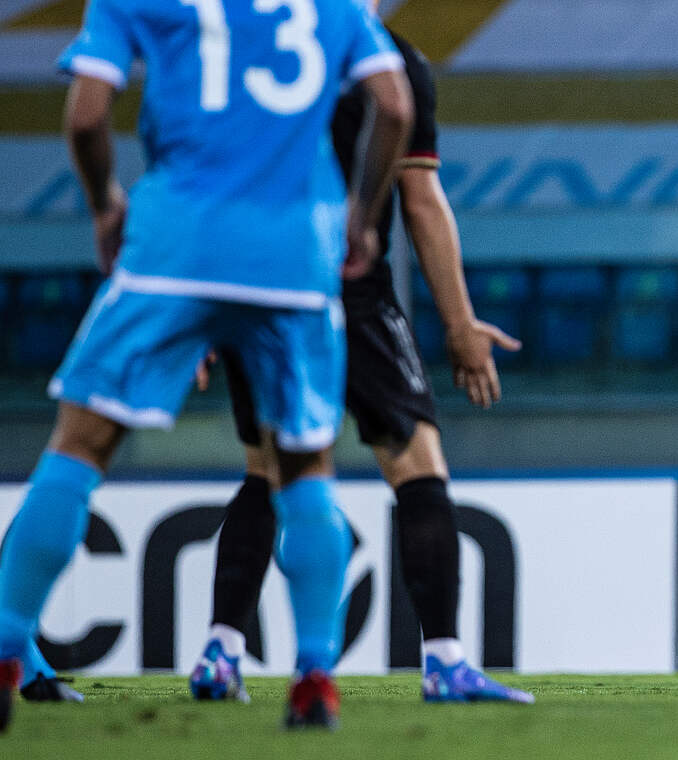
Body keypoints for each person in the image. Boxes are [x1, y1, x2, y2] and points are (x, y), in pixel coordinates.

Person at [0, 0, 412, 732]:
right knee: (304, 470)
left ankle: (6, 648)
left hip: (172, 248)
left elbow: (87, 116)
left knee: (78, 447)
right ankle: (314, 674)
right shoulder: (335, 5)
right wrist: (362, 218)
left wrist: (103, 206)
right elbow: (394, 105)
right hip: (290, 259)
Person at [186, 24, 531, 707]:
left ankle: (220, 653)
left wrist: (205, 313)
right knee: (417, 465)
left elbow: (217, 183)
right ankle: (444, 662)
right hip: (355, 293)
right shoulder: (391, 57)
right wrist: (459, 324)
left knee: (266, 469)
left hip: (265, 290)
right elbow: (422, 200)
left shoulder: (254, 43)